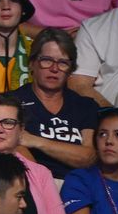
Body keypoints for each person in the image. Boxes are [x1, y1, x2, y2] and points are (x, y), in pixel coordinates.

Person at [12, 28, 97, 183]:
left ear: (71, 69)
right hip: (33, 183)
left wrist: (36, 141)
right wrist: (44, 186)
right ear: (32, 63)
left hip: (80, 185)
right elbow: (15, 147)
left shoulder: (85, 106)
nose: (54, 69)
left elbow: (88, 157)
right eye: (47, 60)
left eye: (63, 63)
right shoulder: (12, 102)